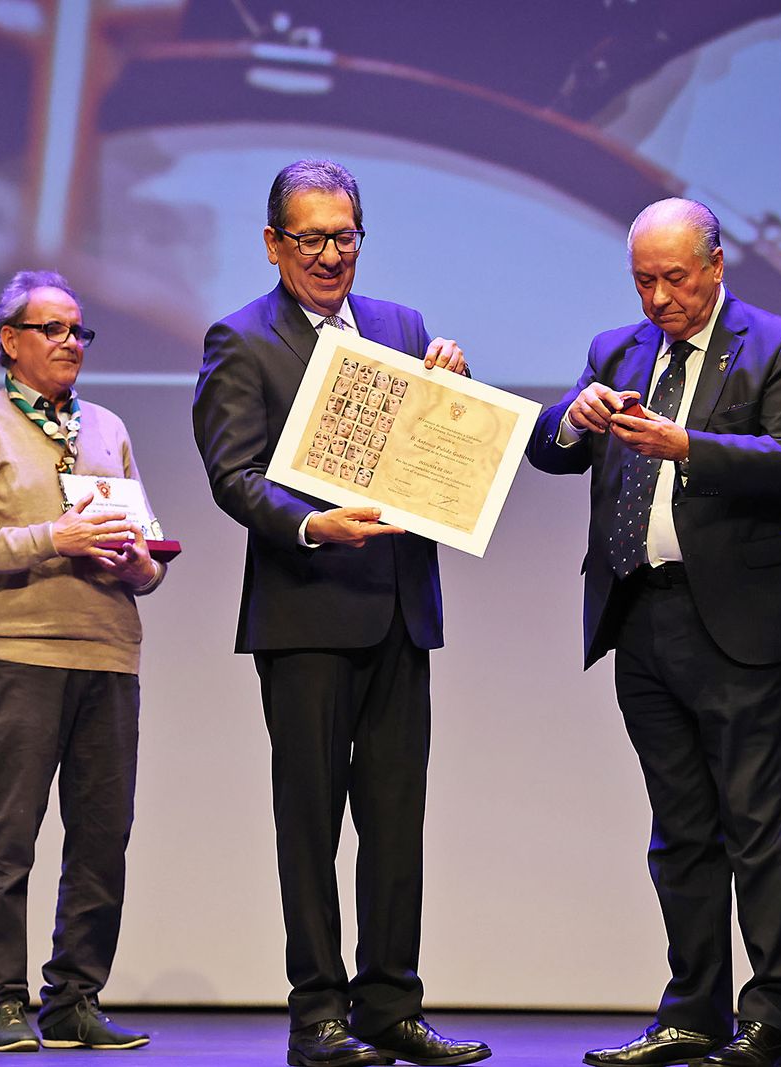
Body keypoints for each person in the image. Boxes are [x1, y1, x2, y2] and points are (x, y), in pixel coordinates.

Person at [192, 160, 490, 1067]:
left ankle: (390, 1006)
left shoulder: (402, 326)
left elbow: (440, 451)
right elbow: (232, 474)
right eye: (312, 238)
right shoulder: (240, 338)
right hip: (306, 612)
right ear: (273, 243)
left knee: (397, 822)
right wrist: (310, 524)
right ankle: (318, 1013)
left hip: (399, 609)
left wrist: (457, 391)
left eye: (345, 236)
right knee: (311, 821)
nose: (331, 254)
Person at [525, 198, 781, 1067]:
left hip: (738, 621)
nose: (659, 298)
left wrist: (686, 444)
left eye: (674, 279)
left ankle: (769, 1019)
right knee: (680, 830)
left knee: (755, 827)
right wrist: (571, 417)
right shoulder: (616, 350)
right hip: (641, 612)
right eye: (643, 281)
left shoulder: (779, 344)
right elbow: (551, 450)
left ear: (716, 265)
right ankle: (694, 1011)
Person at [0, 270, 164, 1054]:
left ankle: (75, 1000)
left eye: (78, 330)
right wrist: (51, 539)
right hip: (22, 654)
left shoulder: (107, 427)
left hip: (111, 653)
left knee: (102, 837)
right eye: (53, 329)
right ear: (10, 340)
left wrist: (141, 564)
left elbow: (146, 555)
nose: (71, 343)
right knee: (9, 838)